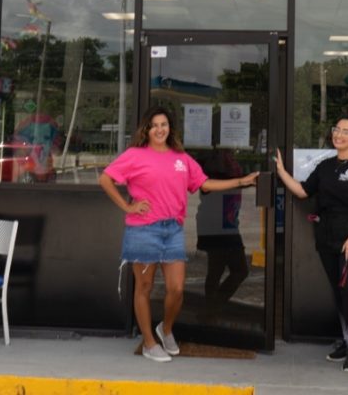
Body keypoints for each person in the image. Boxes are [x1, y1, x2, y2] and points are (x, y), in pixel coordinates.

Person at [99, 106, 259, 363]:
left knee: (176, 289)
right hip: (144, 229)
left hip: (172, 230)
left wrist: (241, 181)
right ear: (147, 130)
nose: (160, 129)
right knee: (145, 287)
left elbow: (204, 183)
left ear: (170, 128)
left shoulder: (181, 158)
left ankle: (166, 329)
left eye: (164, 125)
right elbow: (106, 179)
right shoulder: (135, 155)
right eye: (155, 125)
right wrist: (128, 206)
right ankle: (150, 342)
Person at [273, 116, 348, 373]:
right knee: (339, 291)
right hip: (328, 240)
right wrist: (281, 172)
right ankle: (346, 340)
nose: (339, 135)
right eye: (336, 130)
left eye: (345, 131)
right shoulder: (325, 166)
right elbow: (302, 191)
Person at [195, 150, 248, 318]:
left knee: (225, 269)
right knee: (224, 269)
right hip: (217, 225)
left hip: (227, 224)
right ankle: (211, 310)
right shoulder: (214, 165)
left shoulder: (227, 164)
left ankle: (212, 308)